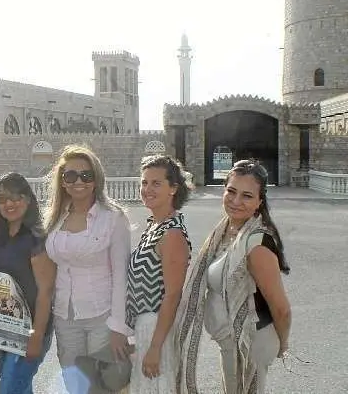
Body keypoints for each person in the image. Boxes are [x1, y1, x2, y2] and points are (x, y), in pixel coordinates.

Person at [175, 159, 292, 394]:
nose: (236, 201)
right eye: (231, 191)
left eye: (247, 196)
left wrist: (282, 344)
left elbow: (281, 308)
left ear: (259, 202)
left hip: (250, 344)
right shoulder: (224, 231)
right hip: (231, 342)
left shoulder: (256, 244)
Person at [44, 145, 133, 394]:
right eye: (70, 175)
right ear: (62, 181)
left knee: (102, 387)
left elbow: (121, 276)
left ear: (96, 180)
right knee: (75, 384)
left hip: (102, 317)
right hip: (64, 316)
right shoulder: (54, 217)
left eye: (86, 175)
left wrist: (119, 327)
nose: (78, 182)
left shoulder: (113, 218)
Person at [125, 155, 192, 393]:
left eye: (156, 183)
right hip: (144, 328)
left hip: (157, 329)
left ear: (173, 188)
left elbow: (172, 296)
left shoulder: (171, 233)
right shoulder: (155, 226)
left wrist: (155, 348)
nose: (147, 189)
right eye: (144, 182)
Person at [0, 172, 56, 394]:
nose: (9, 203)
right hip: (4, 326)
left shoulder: (37, 236)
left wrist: (36, 336)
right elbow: (1, 272)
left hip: (30, 330)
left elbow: (46, 291)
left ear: (28, 199)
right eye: (2, 198)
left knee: (9, 390)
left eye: (16, 197)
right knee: (19, 389)